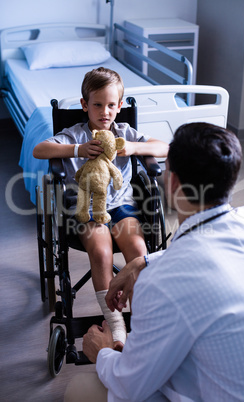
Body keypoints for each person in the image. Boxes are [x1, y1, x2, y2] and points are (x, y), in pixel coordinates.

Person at [65, 122, 244, 401]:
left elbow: (129, 386)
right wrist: (142, 262)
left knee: (79, 389)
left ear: (171, 183)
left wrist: (101, 351)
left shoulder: (162, 284)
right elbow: (212, 251)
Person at [33, 67, 169, 351]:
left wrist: (133, 147)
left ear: (120, 106)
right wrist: (78, 150)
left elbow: (165, 147)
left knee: (139, 253)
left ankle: (143, 323)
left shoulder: (124, 132)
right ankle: (116, 328)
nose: (104, 111)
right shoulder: (74, 135)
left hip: (122, 207)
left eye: (111, 105)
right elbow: (40, 150)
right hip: (87, 210)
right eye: (97, 104)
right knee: (101, 252)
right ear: (85, 105)